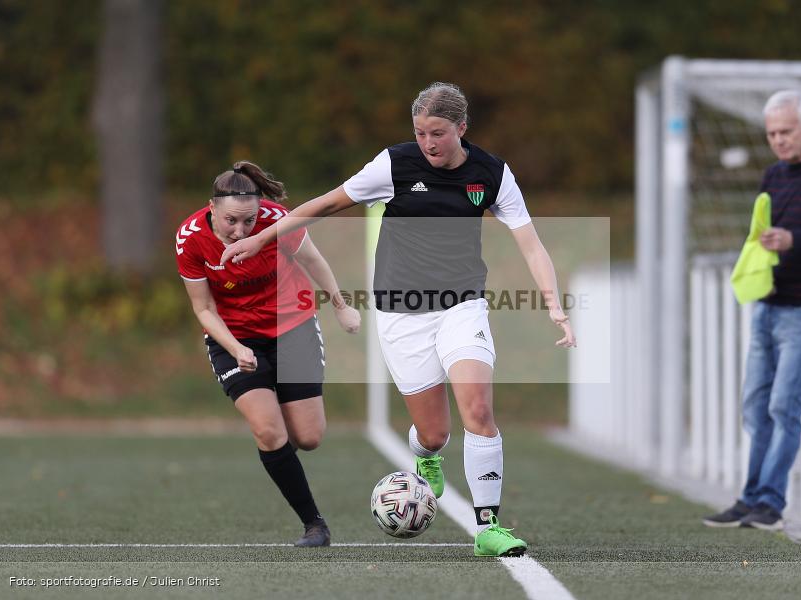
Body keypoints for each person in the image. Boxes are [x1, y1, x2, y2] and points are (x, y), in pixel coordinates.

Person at [220, 83, 576, 557]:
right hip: (401, 314)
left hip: (461, 304)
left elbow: (530, 242)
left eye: (438, 133)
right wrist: (262, 239)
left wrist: (553, 303)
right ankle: (426, 454)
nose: (428, 142)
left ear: (461, 129)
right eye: (420, 132)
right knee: (435, 434)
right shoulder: (395, 164)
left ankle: (489, 527)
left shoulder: (492, 174)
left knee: (478, 411)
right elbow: (326, 203)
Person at [175, 161, 360, 547]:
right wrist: (235, 347)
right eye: (231, 221)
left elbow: (313, 262)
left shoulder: (277, 220)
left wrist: (341, 306)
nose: (240, 230)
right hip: (234, 337)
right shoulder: (190, 239)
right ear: (211, 208)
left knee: (308, 437)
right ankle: (314, 525)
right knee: (268, 429)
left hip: (293, 327)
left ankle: (278, 451)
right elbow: (203, 307)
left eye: (249, 220)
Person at [703, 90, 801, 530]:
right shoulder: (773, 175)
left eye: (786, 131)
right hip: (769, 303)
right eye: (772, 133)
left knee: (783, 405)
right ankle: (750, 496)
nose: (778, 140)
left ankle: (770, 502)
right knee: (755, 406)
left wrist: (794, 239)